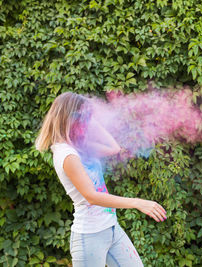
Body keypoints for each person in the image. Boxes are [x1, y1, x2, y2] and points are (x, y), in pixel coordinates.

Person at [35, 92, 167, 267]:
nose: (87, 123)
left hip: (112, 229)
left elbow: (114, 148)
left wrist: (90, 120)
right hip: (89, 237)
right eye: (83, 117)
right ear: (69, 118)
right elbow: (92, 196)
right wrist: (138, 203)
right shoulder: (67, 154)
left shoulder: (81, 146)